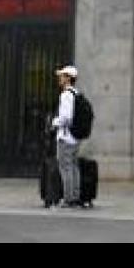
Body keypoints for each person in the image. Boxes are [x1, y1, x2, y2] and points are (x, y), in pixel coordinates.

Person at [51, 65, 84, 208]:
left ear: (69, 78)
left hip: (66, 137)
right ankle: (75, 196)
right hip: (75, 137)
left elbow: (66, 118)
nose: (60, 78)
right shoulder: (77, 93)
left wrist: (54, 122)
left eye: (63, 76)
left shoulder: (65, 95)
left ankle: (68, 198)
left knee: (65, 167)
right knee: (74, 166)